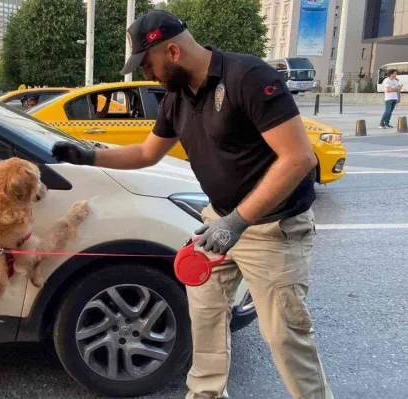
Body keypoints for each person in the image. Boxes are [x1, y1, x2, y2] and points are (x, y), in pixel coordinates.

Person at [51, 10, 333, 399]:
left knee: (286, 337)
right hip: (218, 223)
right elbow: (148, 153)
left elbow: (299, 158)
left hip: (273, 229)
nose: (148, 74)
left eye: (148, 64)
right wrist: (88, 156)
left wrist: (236, 222)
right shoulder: (177, 97)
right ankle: (207, 395)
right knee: (205, 319)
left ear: (172, 51)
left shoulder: (248, 77)